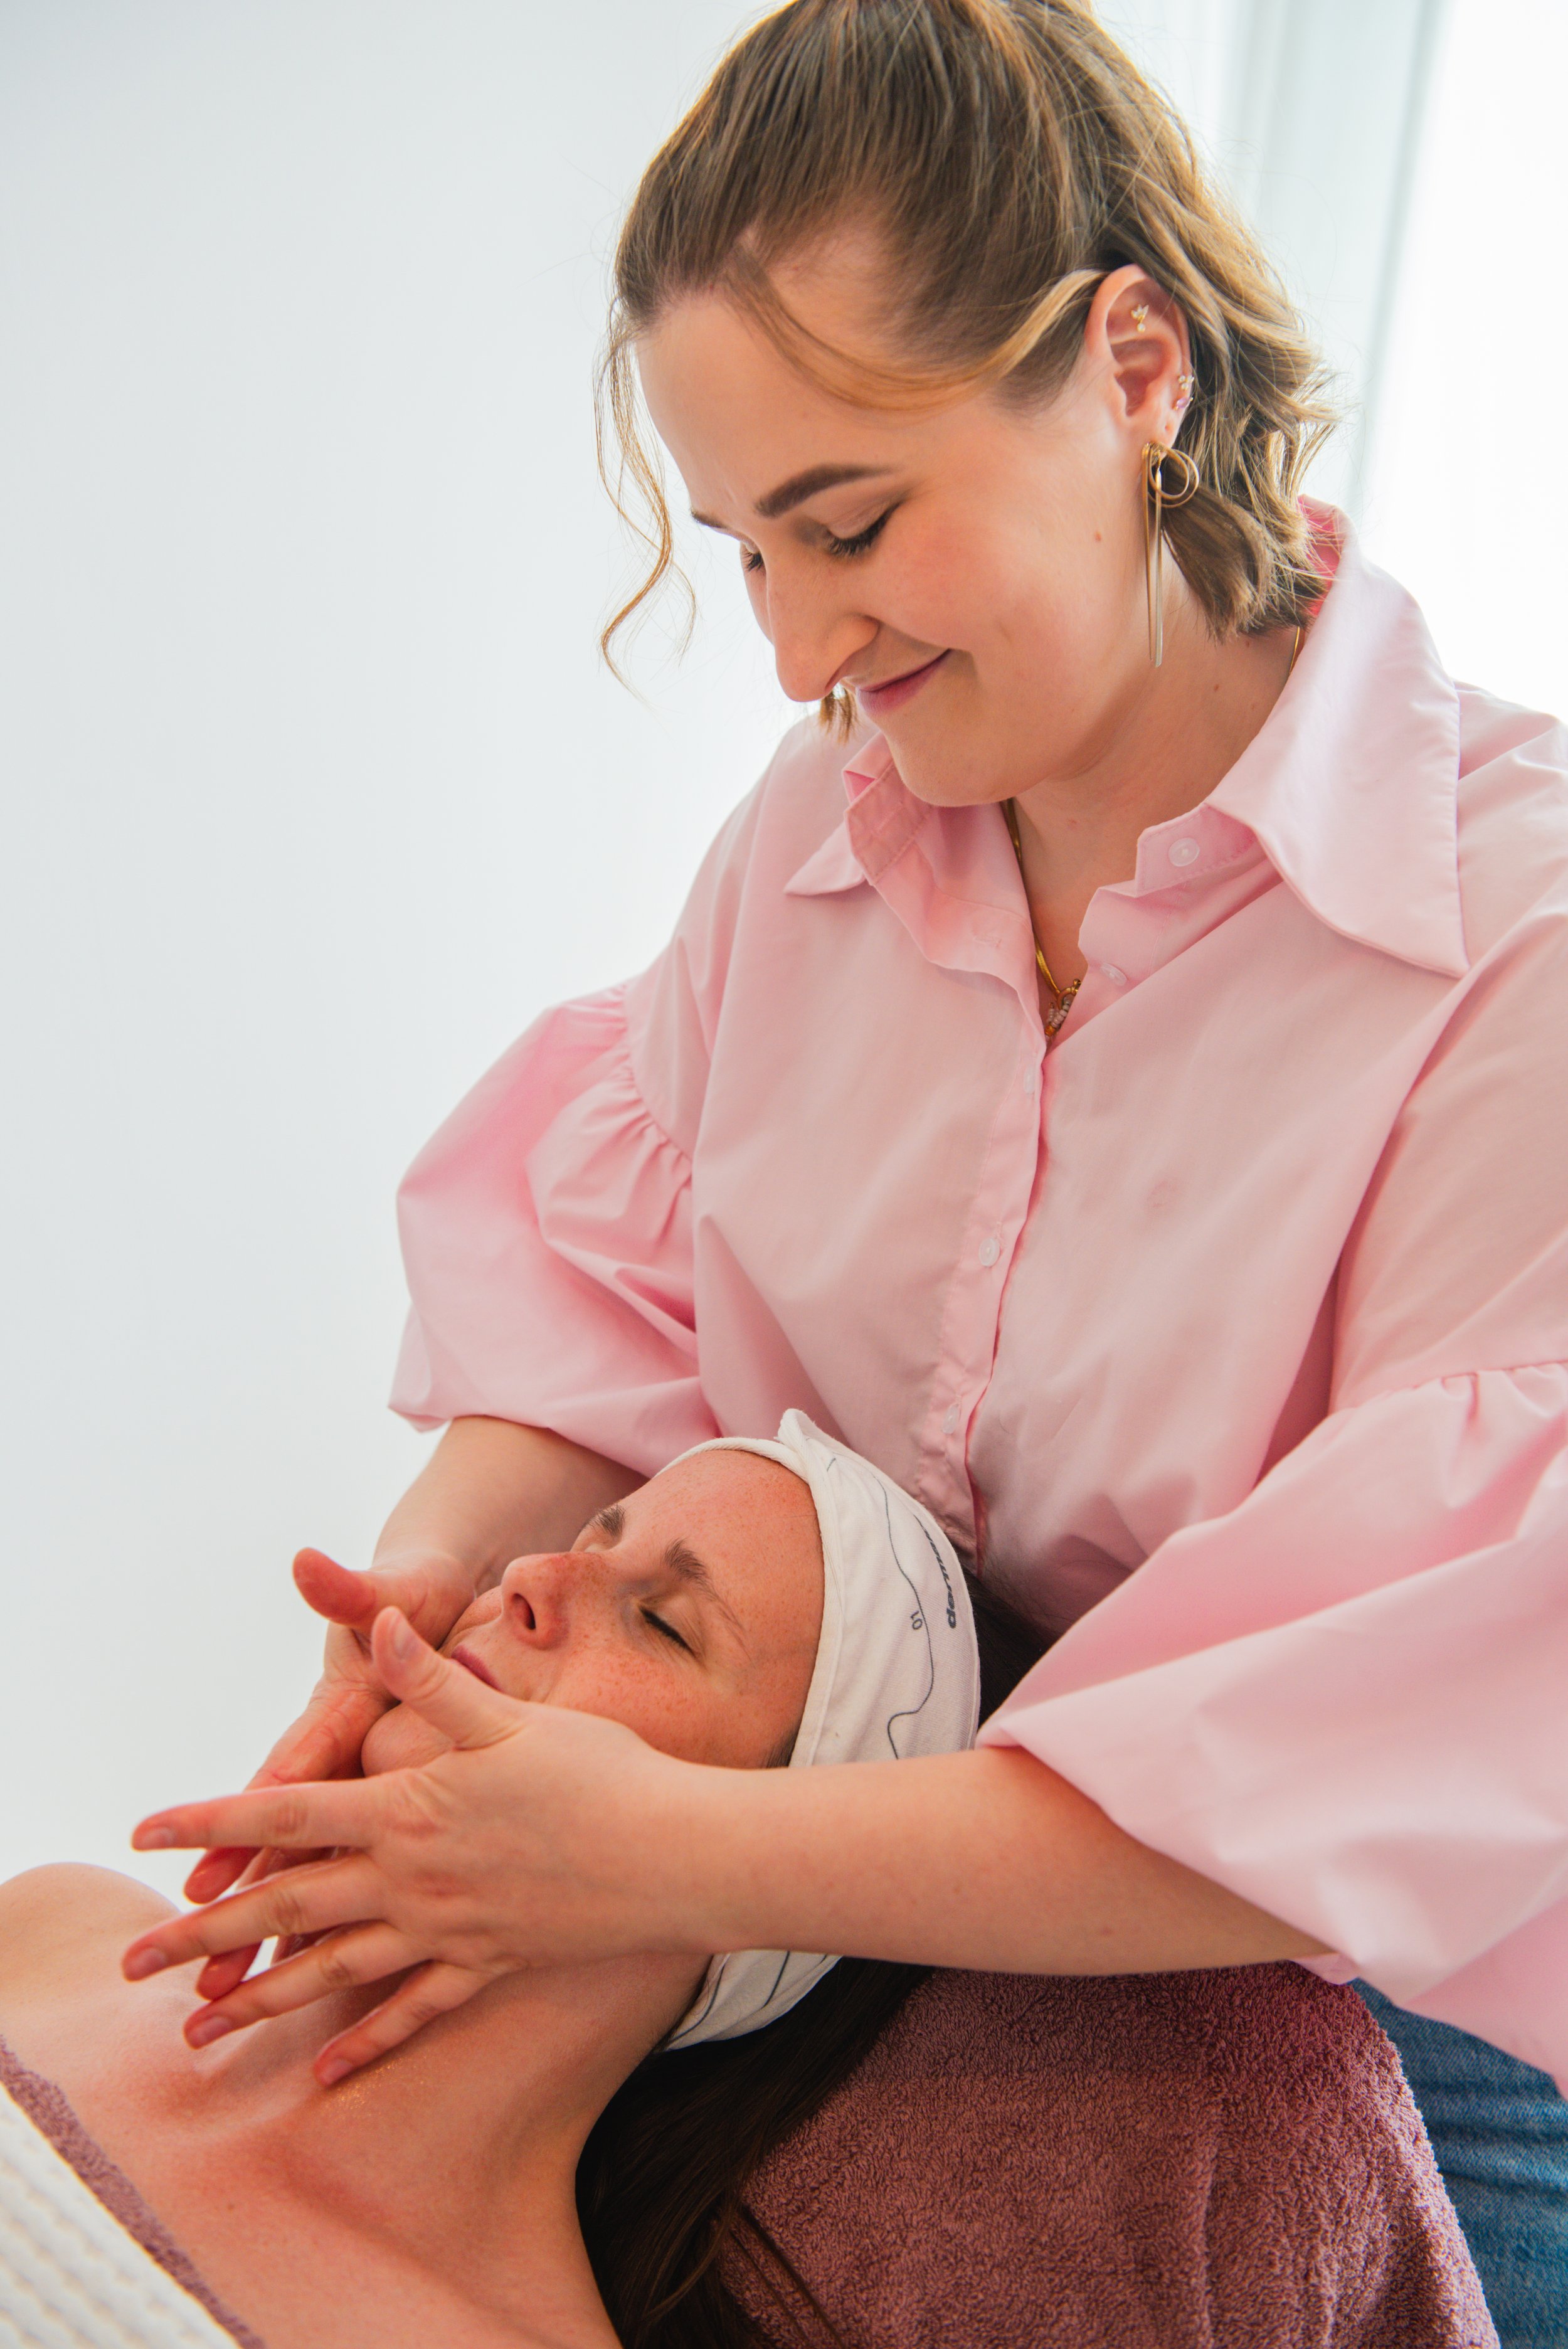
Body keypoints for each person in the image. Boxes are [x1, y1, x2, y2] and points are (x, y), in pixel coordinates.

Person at [118, 3, 1568, 2340]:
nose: (796, 650)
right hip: (810, 1928)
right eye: (741, 548)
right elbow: (610, 1301)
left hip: (1380, 2029)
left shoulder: (1509, 955)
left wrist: (645, 1845)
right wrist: (408, 1619)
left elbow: (1336, 1757)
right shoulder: (826, 842)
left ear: (1134, 363)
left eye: (854, 524)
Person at [2, 1423, 978, 2348]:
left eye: (662, 1624)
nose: (528, 1574)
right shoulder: (55, 1929)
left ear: (746, 1875)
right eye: (585, 1537)